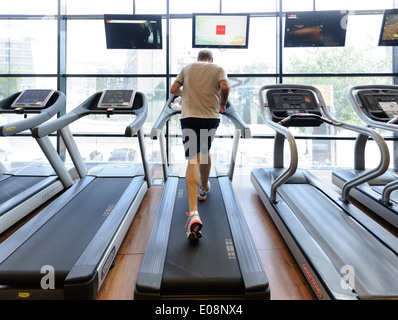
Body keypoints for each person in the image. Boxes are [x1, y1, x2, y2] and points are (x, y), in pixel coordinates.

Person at [170, 50, 230, 240]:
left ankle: (194, 213)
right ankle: (204, 188)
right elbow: (225, 86)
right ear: (211, 60)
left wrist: (184, 94)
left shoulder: (188, 67)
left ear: (198, 59)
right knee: (204, 151)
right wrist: (223, 103)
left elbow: (173, 89)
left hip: (189, 118)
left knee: (193, 159)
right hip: (210, 118)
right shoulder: (217, 68)